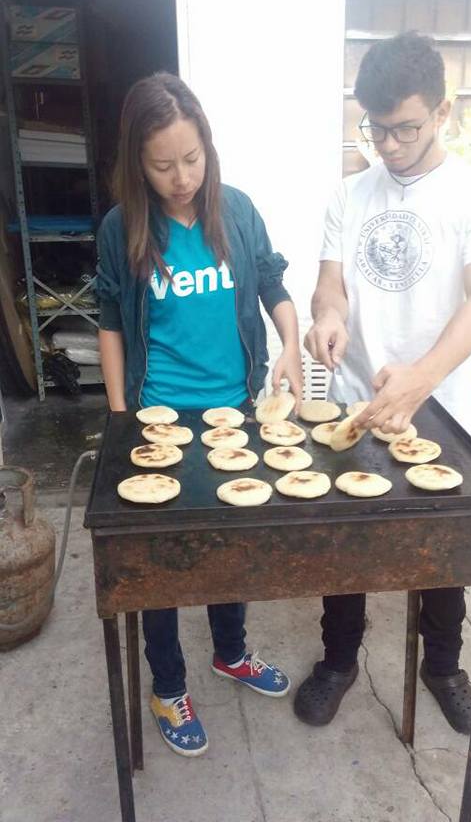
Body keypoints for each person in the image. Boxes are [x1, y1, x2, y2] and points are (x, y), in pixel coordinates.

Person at [294, 32, 471, 734]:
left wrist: (422, 378)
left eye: (405, 129)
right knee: (346, 547)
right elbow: (329, 287)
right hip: (356, 409)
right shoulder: (349, 194)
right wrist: (328, 318)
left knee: (442, 556)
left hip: (440, 411)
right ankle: (338, 660)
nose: (388, 145)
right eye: (376, 128)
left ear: (443, 112)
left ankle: (442, 667)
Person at [97, 72, 303, 756]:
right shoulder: (122, 228)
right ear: (138, 162)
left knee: (229, 542)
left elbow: (270, 280)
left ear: (207, 148)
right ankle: (167, 685)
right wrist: (121, 417)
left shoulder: (236, 211)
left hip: (234, 411)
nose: (181, 177)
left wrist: (291, 344)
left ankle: (231, 652)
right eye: (162, 165)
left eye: (192, 158)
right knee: (162, 559)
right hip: (159, 418)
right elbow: (110, 321)